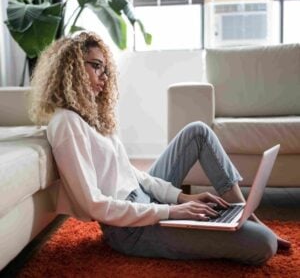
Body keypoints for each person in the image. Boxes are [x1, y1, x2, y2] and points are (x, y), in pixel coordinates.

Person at [29, 31, 289, 266]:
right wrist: (170, 211)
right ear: (71, 68)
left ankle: (243, 214)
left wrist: (180, 198)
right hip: (129, 229)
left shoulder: (90, 117)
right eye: (96, 66)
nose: (104, 77)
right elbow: (94, 204)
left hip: (144, 200)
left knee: (197, 131)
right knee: (263, 243)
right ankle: (244, 223)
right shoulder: (66, 123)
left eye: (105, 69)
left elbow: (132, 174)